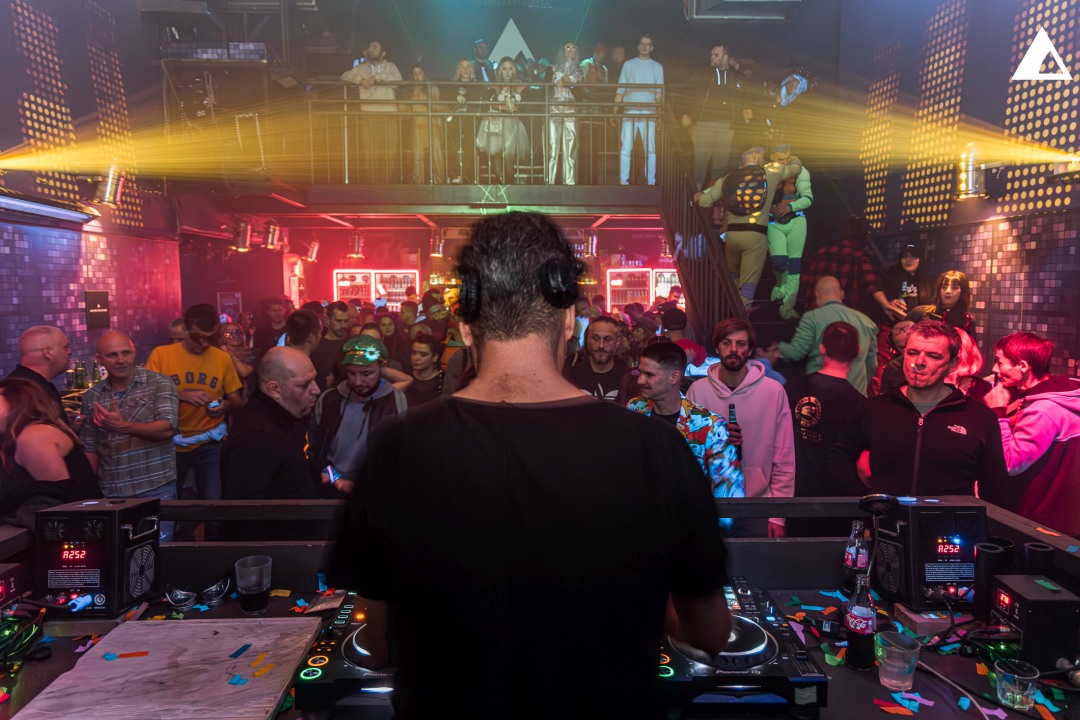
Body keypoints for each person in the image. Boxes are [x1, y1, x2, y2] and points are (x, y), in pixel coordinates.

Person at [329, 211, 731, 718]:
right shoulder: (655, 447)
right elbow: (709, 632)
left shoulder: (396, 448)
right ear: (568, 322)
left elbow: (378, 642)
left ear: (466, 328)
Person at [828, 320, 1008, 498]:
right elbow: (839, 456)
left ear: (952, 364)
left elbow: (995, 487)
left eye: (933, 356)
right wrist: (864, 499)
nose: (919, 362)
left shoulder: (979, 418)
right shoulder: (875, 409)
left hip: (949, 518)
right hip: (887, 517)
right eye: (912, 353)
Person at [687, 318, 794, 537]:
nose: (734, 349)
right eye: (727, 343)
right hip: (710, 504)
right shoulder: (698, 391)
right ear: (717, 347)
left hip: (759, 504)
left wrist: (778, 514)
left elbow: (784, 456)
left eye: (741, 344)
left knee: (758, 559)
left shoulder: (773, 391)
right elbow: (688, 452)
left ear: (750, 349)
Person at [79, 331, 179, 539]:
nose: (121, 360)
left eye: (126, 353)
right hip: (111, 492)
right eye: (112, 355)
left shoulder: (159, 383)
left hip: (154, 486)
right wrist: (87, 493)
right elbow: (90, 448)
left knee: (157, 550)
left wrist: (122, 426)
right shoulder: (92, 396)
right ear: (99, 359)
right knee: (116, 551)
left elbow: (167, 429)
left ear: (134, 352)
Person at [980, 332, 1080, 536]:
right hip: (1063, 519)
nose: (994, 369)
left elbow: (1011, 464)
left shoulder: (1043, 410)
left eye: (1000, 362)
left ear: (1023, 366)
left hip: (1040, 521)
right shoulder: (1062, 395)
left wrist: (998, 413)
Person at [146, 303, 244, 501]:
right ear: (186, 329)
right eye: (199, 337)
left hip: (209, 443)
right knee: (169, 504)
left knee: (213, 503)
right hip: (170, 443)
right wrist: (180, 394)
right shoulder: (161, 355)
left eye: (211, 338)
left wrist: (225, 406)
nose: (205, 343)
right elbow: (145, 396)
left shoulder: (222, 358)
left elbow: (237, 400)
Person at [627, 341, 742, 502]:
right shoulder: (634, 409)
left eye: (649, 375)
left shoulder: (709, 425)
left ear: (674, 377)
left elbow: (730, 489)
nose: (640, 380)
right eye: (640, 373)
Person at [783, 322, 867, 537]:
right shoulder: (860, 404)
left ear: (822, 348)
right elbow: (862, 465)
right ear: (858, 352)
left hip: (792, 499)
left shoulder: (791, 388)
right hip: (836, 505)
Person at [696, 146, 803, 309]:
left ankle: (732, 308)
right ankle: (743, 311)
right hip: (755, 235)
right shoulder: (771, 172)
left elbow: (705, 202)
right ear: (753, 154)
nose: (764, 158)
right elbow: (794, 170)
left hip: (732, 236)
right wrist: (793, 158)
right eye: (761, 154)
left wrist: (698, 197)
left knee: (733, 276)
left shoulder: (727, 178)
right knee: (748, 285)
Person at [309, 335, 407, 495]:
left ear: (383, 367)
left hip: (373, 491)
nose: (357, 381)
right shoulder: (329, 400)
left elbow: (397, 456)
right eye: (351, 373)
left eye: (366, 373)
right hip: (330, 489)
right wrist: (335, 479)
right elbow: (316, 453)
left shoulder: (395, 400)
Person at [0, 378, 101, 531]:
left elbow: (61, 503)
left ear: (17, 400)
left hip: (75, 533)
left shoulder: (34, 436)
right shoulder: (31, 432)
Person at [221, 347, 321, 500]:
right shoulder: (257, 437)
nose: (316, 390)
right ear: (274, 389)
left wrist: (326, 474)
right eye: (304, 385)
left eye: (314, 380)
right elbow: (244, 508)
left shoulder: (286, 417)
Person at [762, 276, 879, 395]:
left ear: (817, 294)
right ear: (842, 294)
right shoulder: (867, 322)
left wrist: (776, 347)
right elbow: (872, 365)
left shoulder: (812, 318)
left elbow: (796, 352)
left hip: (821, 393)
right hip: (857, 395)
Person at [680, 44, 746, 190]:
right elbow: (688, 92)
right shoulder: (702, 73)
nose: (711, 57)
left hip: (727, 124)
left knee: (721, 163)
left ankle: (714, 194)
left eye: (716, 55)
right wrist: (686, 113)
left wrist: (737, 68)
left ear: (725, 57)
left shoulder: (735, 76)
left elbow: (746, 92)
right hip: (704, 123)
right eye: (711, 54)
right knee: (701, 161)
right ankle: (697, 192)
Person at [340, 40, 402, 182]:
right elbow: (345, 76)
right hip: (368, 114)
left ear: (383, 53)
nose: (372, 48)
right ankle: (372, 185)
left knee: (389, 153)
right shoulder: (361, 68)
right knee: (370, 154)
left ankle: (387, 185)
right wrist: (360, 80)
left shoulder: (390, 66)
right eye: (370, 47)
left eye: (376, 46)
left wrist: (378, 77)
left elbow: (398, 82)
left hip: (389, 114)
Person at [766, 143, 814, 319]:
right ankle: (782, 287)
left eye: (787, 158)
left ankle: (787, 305)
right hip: (774, 222)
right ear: (772, 157)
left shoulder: (801, 171)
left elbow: (808, 198)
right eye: (781, 159)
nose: (785, 162)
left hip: (796, 220)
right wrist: (769, 207)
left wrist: (790, 207)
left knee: (794, 265)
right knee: (779, 262)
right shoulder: (765, 172)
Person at [616, 34, 664, 186]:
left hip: (648, 112)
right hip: (630, 110)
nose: (644, 47)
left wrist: (658, 115)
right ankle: (623, 181)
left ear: (651, 48)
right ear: (638, 46)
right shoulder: (628, 65)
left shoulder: (657, 67)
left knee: (650, 150)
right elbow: (620, 90)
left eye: (647, 44)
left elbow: (659, 95)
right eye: (642, 44)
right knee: (626, 148)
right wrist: (614, 111)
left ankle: (650, 183)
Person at [476, 57, 529, 184]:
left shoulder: (519, 86)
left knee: (508, 155)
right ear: (500, 71)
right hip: (496, 119)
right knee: (496, 154)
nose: (507, 72)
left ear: (514, 71)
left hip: (512, 122)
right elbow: (488, 101)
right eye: (504, 68)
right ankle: (501, 184)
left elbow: (524, 105)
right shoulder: (494, 86)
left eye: (510, 69)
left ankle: (509, 185)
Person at [4, 325, 72, 419]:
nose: (70, 351)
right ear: (48, 353)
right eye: (65, 347)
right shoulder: (24, 392)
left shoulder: (28, 385)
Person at [565, 315, 631, 402]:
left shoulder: (627, 379)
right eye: (595, 338)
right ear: (588, 340)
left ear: (617, 342)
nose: (601, 345)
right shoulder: (570, 376)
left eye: (607, 339)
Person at [547, 41, 583, 185]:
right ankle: (549, 182)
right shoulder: (554, 67)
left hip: (570, 107)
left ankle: (569, 183)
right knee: (552, 146)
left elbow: (574, 82)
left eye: (573, 47)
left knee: (570, 147)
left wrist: (565, 79)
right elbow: (554, 80)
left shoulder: (579, 69)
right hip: (554, 106)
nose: (570, 50)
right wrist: (559, 79)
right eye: (567, 47)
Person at [408, 65, 445, 184]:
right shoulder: (410, 91)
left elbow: (438, 108)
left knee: (436, 153)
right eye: (415, 74)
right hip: (417, 126)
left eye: (419, 73)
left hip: (431, 124)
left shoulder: (431, 88)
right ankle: (418, 182)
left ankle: (438, 181)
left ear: (424, 74)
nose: (417, 76)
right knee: (418, 155)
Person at [310, 301, 351, 391]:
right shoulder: (317, 346)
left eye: (346, 321)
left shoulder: (353, 344)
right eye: (338, 321)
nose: (343, 325)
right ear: (328, 320)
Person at [404, 333, 450, 408]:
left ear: (435, 357)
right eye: (414, 353)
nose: (416, 358)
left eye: (423, 354)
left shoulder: (444, 380)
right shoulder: (405, 377)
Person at [929, 270, 976, 342]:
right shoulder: (920, 313)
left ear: (963, 292)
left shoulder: (967, 321)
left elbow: (971, 347)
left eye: (954, 287)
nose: (948, 291)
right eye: (944, 287)